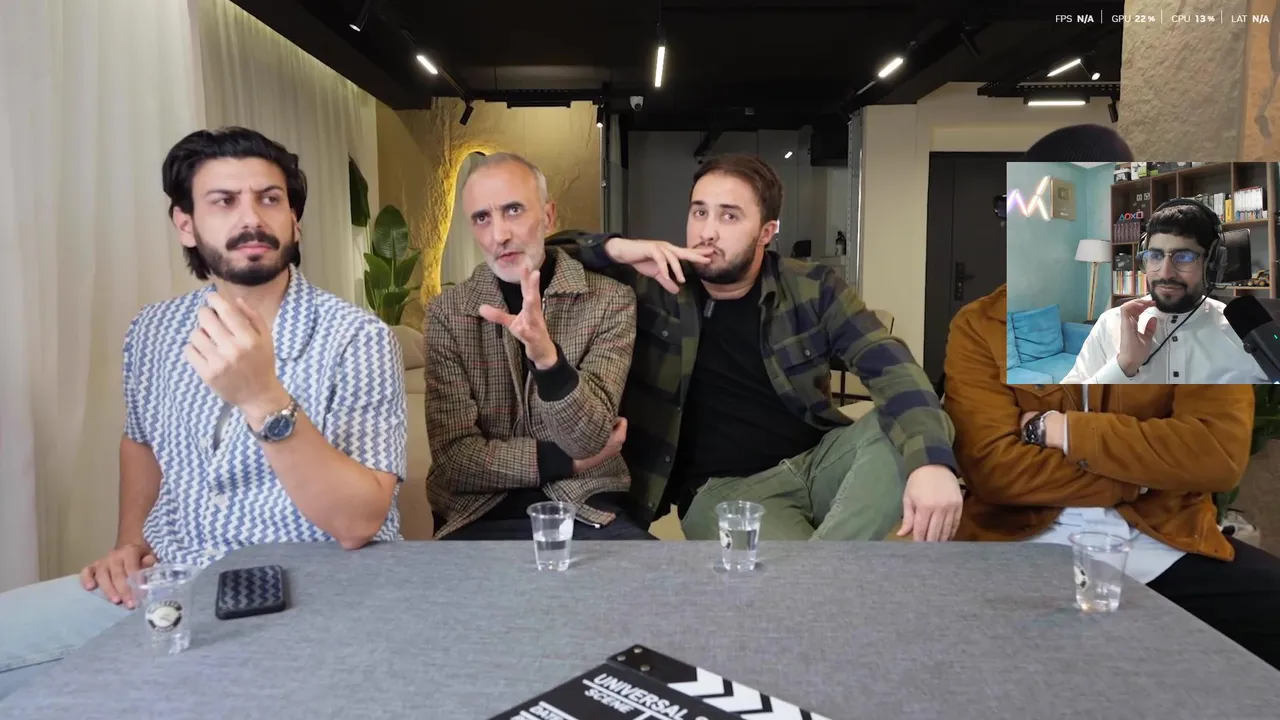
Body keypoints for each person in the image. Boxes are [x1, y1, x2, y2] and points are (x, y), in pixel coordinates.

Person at [0, 127, 407, 699]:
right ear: (186, 224)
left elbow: (359, 522)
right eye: (224, 201)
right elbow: (140, 440)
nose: (252, 218)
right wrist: (129, 544)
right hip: (171, 581)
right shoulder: (154, 329)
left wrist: (263, 398)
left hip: (313, 591)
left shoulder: (356, 339)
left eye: (270, 198)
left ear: (294, 220)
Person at [549, 153, 962, 542]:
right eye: (699, 212)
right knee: (793, 577)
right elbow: (547, 252)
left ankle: (819, 574)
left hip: (818, 461)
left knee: (916, 424)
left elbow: (892, 367)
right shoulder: (656, 283)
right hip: (723, 491)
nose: (707, 231)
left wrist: (931, 463)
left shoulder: (812, 287)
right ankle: (827, 573)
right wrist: (619, 247)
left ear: (767, 231)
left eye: (729, 216)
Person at [945, 283, 1280, 670]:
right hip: (1017, 539)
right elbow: (995, 469)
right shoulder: (980, 324)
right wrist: (1141, 476)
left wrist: (1060, 430)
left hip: (1164, 536)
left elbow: (1217, 454)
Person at [425, 153, 651, 540]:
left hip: (587, 505)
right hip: (480, 511)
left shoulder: (609, 301)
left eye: (513, 210)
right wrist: (568, 462)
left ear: (548, 216)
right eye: (482, 218)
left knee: (660, 575)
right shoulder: (448, 313)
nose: (499, 235)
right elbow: (455, 461)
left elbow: (590, 438)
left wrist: (548, 361)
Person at [1062, 199, 1268, 384]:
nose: (1165, 273)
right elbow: (1067, 400)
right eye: (1155, 256)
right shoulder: (1110, 323)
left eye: (1184, 257)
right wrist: (1123, 365)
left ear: (1212, 263)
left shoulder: (1243, 332)